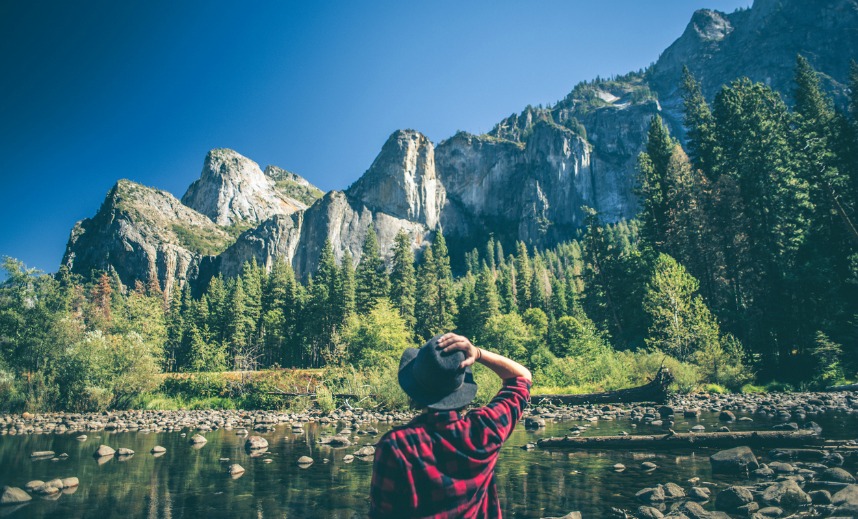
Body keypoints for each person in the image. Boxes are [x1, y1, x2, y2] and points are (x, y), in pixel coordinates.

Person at [369, 332, 532, 518]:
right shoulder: (485, 428)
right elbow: (522, 377)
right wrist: (478, 353)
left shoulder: (396, 446)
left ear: (415, 390)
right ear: (460, 388)